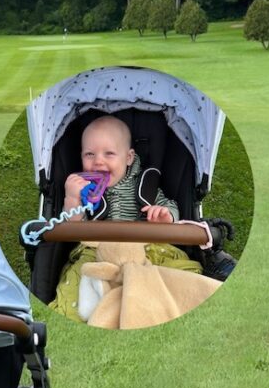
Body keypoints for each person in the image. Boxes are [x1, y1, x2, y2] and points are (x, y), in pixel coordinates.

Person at [50, 115, 203, 321]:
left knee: (179, 276)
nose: (98, 161)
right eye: (89, 154)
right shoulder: (85, 191)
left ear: (129, 157)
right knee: (75, 281)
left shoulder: (145, 187)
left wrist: (164, 216)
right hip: (96, 252)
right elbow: (72, 225)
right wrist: (72, 198)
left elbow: (170, 205)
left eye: (109, 153)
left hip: (147, 249)